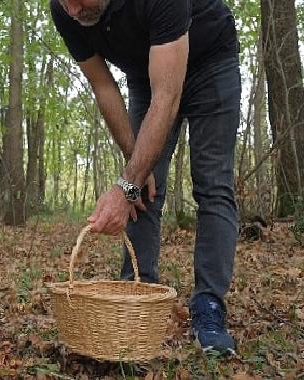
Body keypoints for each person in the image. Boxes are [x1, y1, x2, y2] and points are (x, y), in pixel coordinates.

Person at [50, 0, 240, 354]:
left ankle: (209, 307)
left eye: (79, 0)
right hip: (145, 71)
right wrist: (133, 169)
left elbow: (167, 95)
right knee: (142, 186)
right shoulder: (64, 9)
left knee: (212, 183)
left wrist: (125, 186)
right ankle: (137, 294)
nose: (73, 10)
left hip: (210, 59)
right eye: (66, 2)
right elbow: (103, 86)